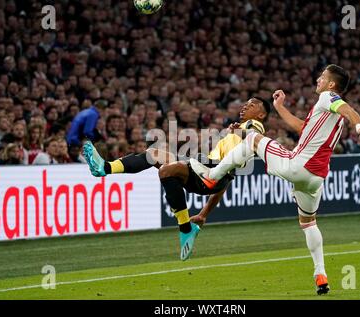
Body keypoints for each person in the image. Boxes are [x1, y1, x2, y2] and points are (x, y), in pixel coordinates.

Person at [189, 65, 360, 295]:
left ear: (331, 84)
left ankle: (211, 177)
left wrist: (357, 124)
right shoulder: (328, 114)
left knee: (252, 139)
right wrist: (279, 107)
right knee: (309, 223)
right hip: (316, 179)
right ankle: (321, 275)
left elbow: (348, 109)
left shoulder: (329, 97)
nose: (318, 79)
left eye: (323, 77)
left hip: (298, 166)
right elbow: (302, 127)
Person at [83, 97, 270, 260]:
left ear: (261, 115)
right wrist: (204, 215)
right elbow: (224, 180)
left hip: (209, 172)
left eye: (252, 105)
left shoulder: (252, 126)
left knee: (165, 171)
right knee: (154, 154)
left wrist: (240, 131)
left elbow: (256, 136)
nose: (245, 107)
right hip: (208, 171)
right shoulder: (235, 138)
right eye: (245, 104)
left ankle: (185, 229)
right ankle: (104, 168)